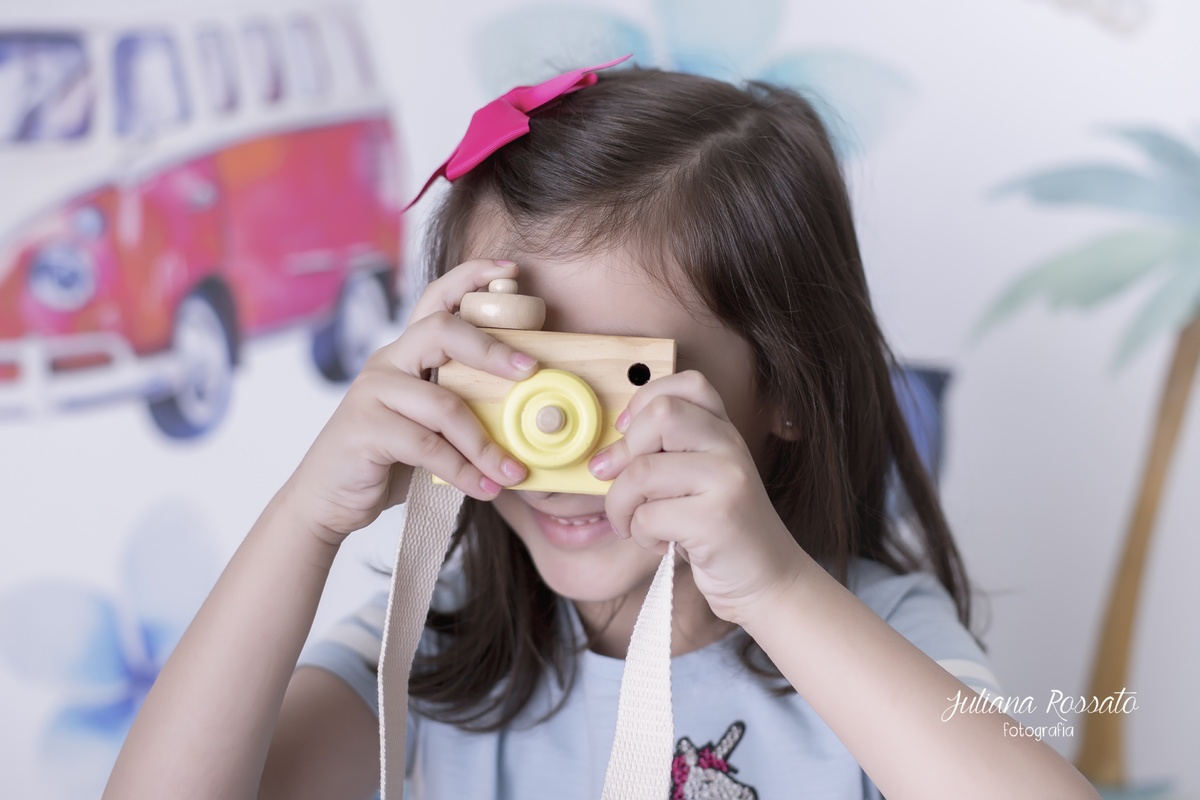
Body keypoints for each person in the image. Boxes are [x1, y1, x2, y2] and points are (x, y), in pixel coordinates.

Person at [103, 62, 1099, 799]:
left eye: (624, 379)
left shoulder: (872, 634)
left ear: (786, 387)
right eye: (516, 371)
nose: (560, 442)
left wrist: (776, 591)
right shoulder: (436, 648)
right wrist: (307, 518)